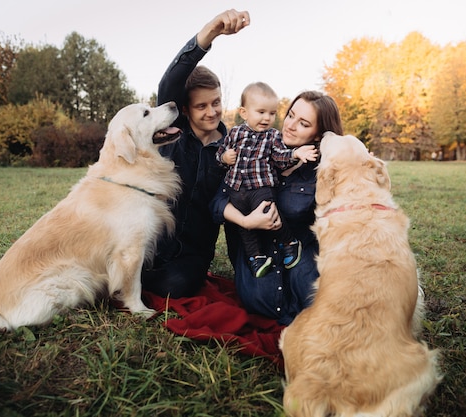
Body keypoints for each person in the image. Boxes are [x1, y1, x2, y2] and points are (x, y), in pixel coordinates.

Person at [141, 9, 250, 298]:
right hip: (153, 241)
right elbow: (169, 83)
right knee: (113, 268)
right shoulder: (173, 133)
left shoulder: (233, 146)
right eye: (202, 106)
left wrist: (245, 273)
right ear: (186, 109)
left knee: (177, 286)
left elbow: (236, 208)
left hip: (193, 255)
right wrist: (210, 32)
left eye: (216, 102)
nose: (212, 111)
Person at [211, 91, 344, 325]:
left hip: (300, 261)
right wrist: (246, 221)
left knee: (320, 309)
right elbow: (216, 204)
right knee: (262, 299)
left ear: (318, 136)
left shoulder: (324, 171)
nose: (290, 126)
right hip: (258, 263)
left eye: (303, 124)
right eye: (290, 115)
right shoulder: (252, 150)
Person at [216, 82, 318, 278]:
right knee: (244, 226)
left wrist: (295, 153)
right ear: (244, 113)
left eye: (272, 113)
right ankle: (256, 258)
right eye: (261, 112)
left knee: (268, 213)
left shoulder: (273, 137)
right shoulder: (234, 133)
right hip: (236, 188)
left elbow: (280, 156)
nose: (267, 118)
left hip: (261, 186)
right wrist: (224, 158)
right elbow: (220, 155)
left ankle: (288, 242)